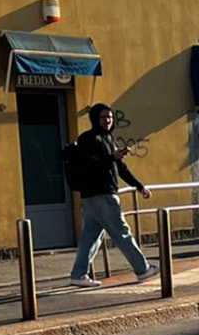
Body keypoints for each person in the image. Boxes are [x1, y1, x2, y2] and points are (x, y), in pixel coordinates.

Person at [67, 104, 157, 288]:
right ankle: (142, 269)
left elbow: (120, 168)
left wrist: (138, 186)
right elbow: (89, 164)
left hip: (92, 197)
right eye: (103, 117)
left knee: (90, 236)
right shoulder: (89, 138)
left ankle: (78, 274)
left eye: (109, 117)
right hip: (102, 194)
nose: (107, 121)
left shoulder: (108, 138)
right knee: (121, 232)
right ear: (94, 118)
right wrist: (111, 157)